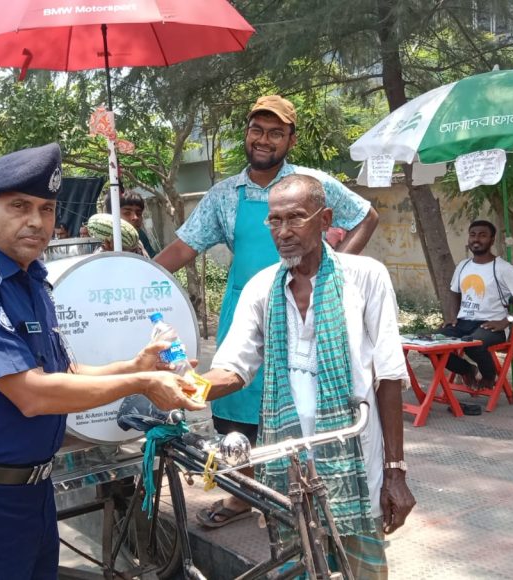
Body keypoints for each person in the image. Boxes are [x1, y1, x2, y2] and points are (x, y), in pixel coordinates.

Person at [0, 143, 203, 579]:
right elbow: (32, 394)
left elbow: (65, 375)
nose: (36, 221)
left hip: (32, 496)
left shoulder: (30, 279)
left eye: (46, 209)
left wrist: (136, 364)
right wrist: (142, 383)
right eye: (19, 206)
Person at [155, 94, 380, 525]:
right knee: (234, 406)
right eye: (257, 130)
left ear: (290, 139)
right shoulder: (225, 194)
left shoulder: (311, 185)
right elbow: (184, 247)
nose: (264, 140)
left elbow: (366, 215)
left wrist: (339, 271)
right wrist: (135, 276)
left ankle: (305, 496)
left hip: (303, 312)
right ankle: (242, 494)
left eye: (276, 133)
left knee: (302, 402)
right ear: (247, 133)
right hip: (245, 310)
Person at [202, 174, 414, 578]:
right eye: (274, 220)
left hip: (354, 458)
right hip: (288, 461)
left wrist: (396, 472)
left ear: (325, 219)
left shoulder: (365, 277)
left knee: (362, 568)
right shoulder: (262, 288)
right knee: (295, 562)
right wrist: (185, 385)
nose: (283, 232)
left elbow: (388, 375)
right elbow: (234, 366)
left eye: (295, 218)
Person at [442, 220, 513, 390]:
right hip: (464, 323)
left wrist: (507, 320)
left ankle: (489, 376)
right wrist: (453, 317)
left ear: (492, 240)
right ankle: (467, 370)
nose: (476, 239)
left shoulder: (503, 268)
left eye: (482, 235)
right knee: (428, 345)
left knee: (472, 344)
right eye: (473, 235)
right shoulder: (462, 266)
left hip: (492, 325)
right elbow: (454, 292)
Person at [104, 188, 157, 256]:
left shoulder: (140, 236)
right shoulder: (103, 249)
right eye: (127, 213)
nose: (135, 217)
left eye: (138, 213)